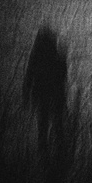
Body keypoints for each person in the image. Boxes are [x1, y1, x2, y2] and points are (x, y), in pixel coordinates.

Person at [23, 26, 68, 155]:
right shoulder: (55, 53)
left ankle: (43, 151)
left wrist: (26, 95)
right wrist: (63, 58)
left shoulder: (37, 55)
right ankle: (59, 150)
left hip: (42, 94)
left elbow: (29, 76)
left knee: (43, 124)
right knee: (57, 124)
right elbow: (62, 75)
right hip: (55, 94)